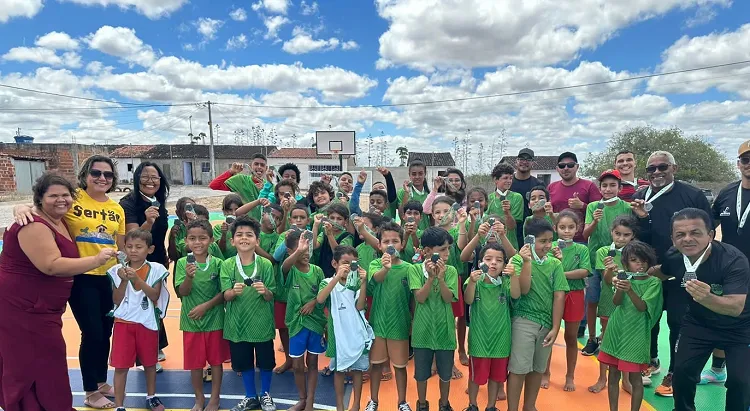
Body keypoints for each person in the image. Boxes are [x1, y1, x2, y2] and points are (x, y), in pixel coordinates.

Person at [13, 154, 126, 408]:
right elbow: (43, 210)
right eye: (96, 173)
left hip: (107, 277)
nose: (102, 178)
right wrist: (21, 208)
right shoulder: (73, 200)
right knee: (93, 332)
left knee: (106, 332)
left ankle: (99, 380)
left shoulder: (116, 209)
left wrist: (126, 273)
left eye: (108, 175)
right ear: (85, 175)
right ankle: (90, 392)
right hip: (81, 276)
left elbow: (120, 246)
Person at [631, 151, 712, 395]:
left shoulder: (692, 194)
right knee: (650, 318)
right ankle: (651, 360)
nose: (656, 172)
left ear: (673, 168)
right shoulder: (639, 196)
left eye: (662, 167)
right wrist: (643, 219)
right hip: (650, 270)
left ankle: (676, 372)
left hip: (682, 269)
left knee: (678, 322)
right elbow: (637, 235)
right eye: (651, 169)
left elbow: (707, 230)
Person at [655, 208, 750, 411]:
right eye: (680, 234)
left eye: (695, 232)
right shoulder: (674, 256)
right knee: (681, 372)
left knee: (741, 382)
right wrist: (629, 274)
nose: (687, 239)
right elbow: (659, 273)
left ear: (711, 234)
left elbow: (735, 307)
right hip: (698, 323)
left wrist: (707, 298)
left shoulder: (733, 260)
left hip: (739, 327)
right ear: (673, 239)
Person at [506, 219, 568, 411]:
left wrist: (556, 327)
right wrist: (526, 262)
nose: (548, 245)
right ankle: (512, 408)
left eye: (551, 240)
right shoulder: (517, 260)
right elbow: (523, 291)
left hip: (547, 324)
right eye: (543, 241)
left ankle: (530, 406)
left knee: (537, 368)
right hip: (523, 321)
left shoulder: (555, 264)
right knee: (518, 369)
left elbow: (559, 296)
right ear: (530, 241)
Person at [107, 229, 170, 411]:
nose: (133, 250)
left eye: (139, 247)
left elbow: (154, 295)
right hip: (123, 324)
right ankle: (119, 405)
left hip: (147, 323)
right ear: (124, 248)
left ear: (149, 249)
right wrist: (124, 281)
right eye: (129, 246)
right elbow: (116, 300)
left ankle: (151, 397)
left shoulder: (157, 269)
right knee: (121, 366)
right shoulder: (116, 270)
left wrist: (137, 280)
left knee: (150, 364)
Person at [704, 140, 750, 385]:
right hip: (729, 268)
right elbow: (709, 227)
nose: (749, 164)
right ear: (739, 164)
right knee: (724, 316)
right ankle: (718, 369)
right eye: (746, 159)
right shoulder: (728, 193)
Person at [221, 216, 278, 411]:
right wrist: (231, 292)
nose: (244, 238)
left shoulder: (266, 265)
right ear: (232, 241)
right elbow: (225, 296)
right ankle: (250, 396)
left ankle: (266, 394)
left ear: (257, 240)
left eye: (249, 235)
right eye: (239, 235)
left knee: (266, 362)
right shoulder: (227, 265)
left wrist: (266, 291)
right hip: (237, 324)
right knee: (244, 363)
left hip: (261, 323)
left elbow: (271, 295)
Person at [599, 241, 662, 411]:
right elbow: (616, 302)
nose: (639, 264)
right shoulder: (622, 277)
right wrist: (620, 287)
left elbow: (642, 308)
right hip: (616, 330)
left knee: (635, 378)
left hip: (636, 334)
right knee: (612, 374)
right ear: (626, 262)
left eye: (643, 260)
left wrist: (629, 290)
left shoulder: (654, 282)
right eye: (634, 260)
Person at [119, 161, 171, 370]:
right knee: (142, 304)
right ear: (137, 179)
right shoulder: (129, 203)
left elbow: (160, 235)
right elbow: (132, 238)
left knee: (156, 303)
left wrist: (165, 257)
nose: (150, 181)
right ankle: (144, 356)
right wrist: (148, 222)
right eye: (145, 176)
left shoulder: (158, 201)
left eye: (155, 177)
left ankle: (157, 346)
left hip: (157, 259)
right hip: (138, 261)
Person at [175, 220, 228, 411]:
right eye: (192, 238)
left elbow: (224, 292)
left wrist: (206, 306)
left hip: (214, 320)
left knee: (215, 362)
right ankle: (199, 399)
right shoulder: (182, 263)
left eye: (202, 238)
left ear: (211, 240)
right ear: (186, 241)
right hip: (191, 321)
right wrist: (189, 277)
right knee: (195, 365)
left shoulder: (219, 263)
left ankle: (215, 398)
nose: (198, 242)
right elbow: (183, 292)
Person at [581, 170, 632, 356]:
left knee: (614, 298)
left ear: (619, 187)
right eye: (604, 185)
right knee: (593, 299)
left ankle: (608, 336)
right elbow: (585, 234)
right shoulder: (593, 206)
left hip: (619, 260)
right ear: (600, 188)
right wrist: (594, 221)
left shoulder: (626, 207)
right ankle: (592, 338)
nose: (608, 189)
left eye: (612, 185)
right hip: (596, 258)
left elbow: (631, 232)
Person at [463, 243, 519, 411]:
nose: (493, 263)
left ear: (505, 264)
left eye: (499, 260)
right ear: (480, 262)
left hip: (501, 342)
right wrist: (472, 282)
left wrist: (515, 276)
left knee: (496, 378)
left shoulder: (506, 282)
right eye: (488, 259)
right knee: (475, 377)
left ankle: (491, 406)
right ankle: (472, 405)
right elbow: (468, 300)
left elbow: (516, 295)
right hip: (479, 341)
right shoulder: (475, 281)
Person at [317, 246, 373, 411]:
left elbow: (360, 306)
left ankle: (356, 405)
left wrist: (363, 283)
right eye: (345, 263)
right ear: (334, 263)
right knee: (339, 370)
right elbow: (320, 300)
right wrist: (336, 278)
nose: (349, 267)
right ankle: (340, 406)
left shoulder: (356, 282)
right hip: (337, 334)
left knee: (357, 371)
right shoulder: (327, 282)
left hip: (356, 333)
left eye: (353, 263)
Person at [409, 227, 459, 411]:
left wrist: (441, 278)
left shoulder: (451, 271)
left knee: (445, 373)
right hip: (422, 332)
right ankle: (422, 403)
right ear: (428, 251)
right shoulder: (415, 270)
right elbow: (420, 298)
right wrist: (430, 279)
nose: (447, 253)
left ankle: (444, 403)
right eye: (443, 249)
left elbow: (449, 298)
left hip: (445, 331)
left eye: (448, 249)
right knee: (421, 374)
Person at [588, 215, 639, 394]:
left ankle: (625, 380)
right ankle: (602, 378)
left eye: (626, 235)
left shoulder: (635, 252)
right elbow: (607, 281)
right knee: (606, 339)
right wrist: (610, 269)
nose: (621, 238)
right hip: (608, 300)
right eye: (617, 233)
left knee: (624, 341)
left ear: (632, 235)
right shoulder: (603, 252)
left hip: (628, 302)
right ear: (611, 232)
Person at [367, 222, 414, 411]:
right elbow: (376, 280)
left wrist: (411, 321)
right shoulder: (375, 264)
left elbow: (413, 298)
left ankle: (402, 401)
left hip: (400, 325)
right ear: (379, 245)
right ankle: (373, 401)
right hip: (378, 324)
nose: (391, 244)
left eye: (395, 240)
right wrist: (385, 268)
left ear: (402, 244)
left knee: (400, 367)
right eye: (386, 241)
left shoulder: (409, 268)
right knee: (376, 365)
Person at [542, 211, 591, 392]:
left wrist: (560, 273)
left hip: (575, 294)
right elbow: (545, 270)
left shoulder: (581, 249)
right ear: (556, 229)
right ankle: (545, 372)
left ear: (577, 229)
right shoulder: (551, 247)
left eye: (571, 227)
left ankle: (570, 375)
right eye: (562, 227)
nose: (566, 231)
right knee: (549, 334)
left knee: (571, 337)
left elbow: (584, 271)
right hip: (553, 295)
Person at [282, 230, 326, 411]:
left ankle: (310, 401)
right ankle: (302, 398)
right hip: (296, 324)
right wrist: (298, 251)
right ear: (290, 252)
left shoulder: (317, 271)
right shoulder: (289, 270)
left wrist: (313, 302)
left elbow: (324, 295)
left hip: (315, 322)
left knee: (313, 363)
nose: (305, 252)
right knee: (298, 365)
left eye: (307, 248)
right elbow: (284, 266)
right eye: (300, 250)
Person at [548, 152, 602, 242]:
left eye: (570, 165)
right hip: (557, 241)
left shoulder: (589, 186)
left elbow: (600, 211)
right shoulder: (551, 187)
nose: (566, 168)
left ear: (577, 167)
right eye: (562, 166)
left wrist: (583, 206)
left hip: (582, 241)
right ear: (557, 169)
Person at [208, 155, 268, 221]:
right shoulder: (240, 180)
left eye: (262, 165)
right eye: (256, 164)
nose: (259, 167)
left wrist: (265, 190)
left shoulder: (269, 186)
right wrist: (231, 172)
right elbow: (213, 185)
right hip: (244, 224)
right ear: (250, 166)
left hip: (263, 226)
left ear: (266, 168)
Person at [510, 148, 544, 246]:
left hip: (532, 228)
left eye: (528, 160)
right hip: (511, 230)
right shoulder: (507, 182)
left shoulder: (539, 184)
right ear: (516, 161)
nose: (524, 162)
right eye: (521, 159)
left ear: (533, 163)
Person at [487, 163, 524, 251]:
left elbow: (512, 226)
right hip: (492, 244)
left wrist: (507, 213)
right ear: (496, 180)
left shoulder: (516, 197)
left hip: (510, 243)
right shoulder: (489, 198)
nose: (509, 181)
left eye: (511, 178)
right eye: (505, 178)